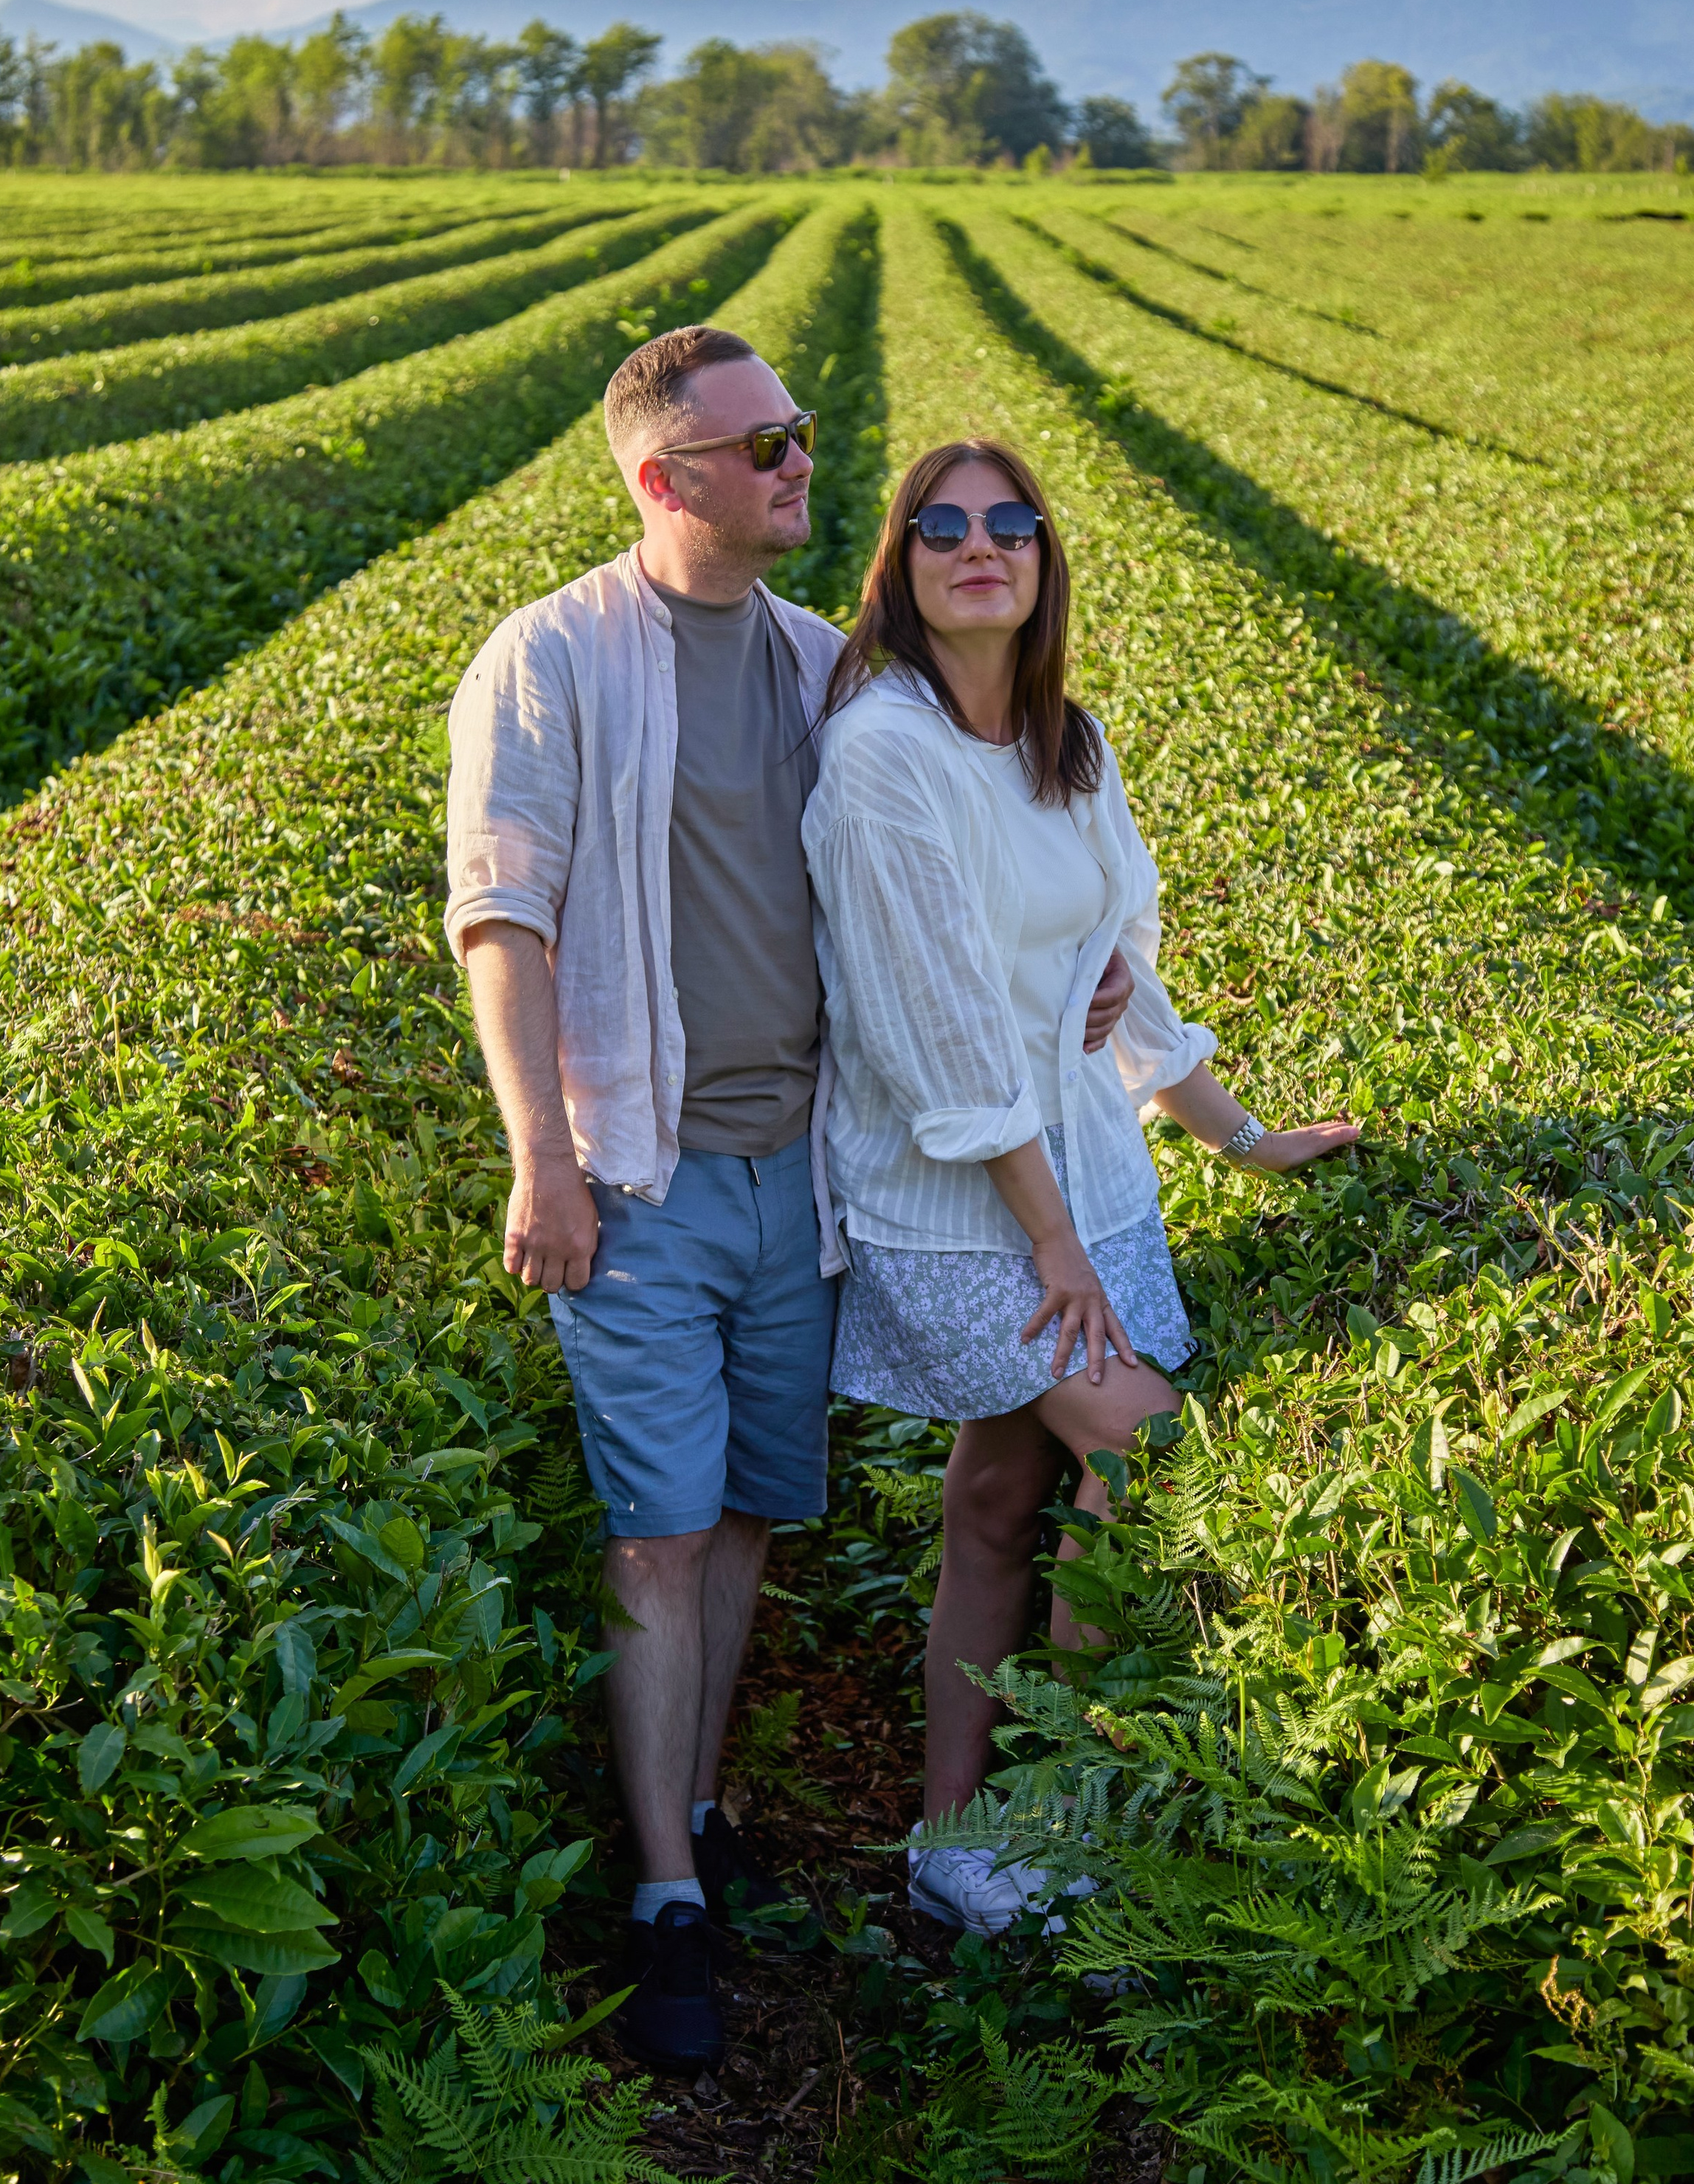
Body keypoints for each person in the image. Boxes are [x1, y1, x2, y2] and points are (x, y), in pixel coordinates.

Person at [443, 335, 1131, 2070]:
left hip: (804, 1179)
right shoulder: (551, 659)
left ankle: (702, 1806)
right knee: (657, 1531)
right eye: (760, 446)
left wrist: (1089, 998)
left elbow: (937, 895)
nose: (799, 465)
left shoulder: (826, 666)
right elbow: (500, 918)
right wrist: (539, 1153)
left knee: (746, 1515)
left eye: (803, 436)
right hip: (641, 1176)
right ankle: (668, 1895)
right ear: (660, 480)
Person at [804, 436, 1361, 1938]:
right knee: (1149, 1454)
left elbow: (1126, 966)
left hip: (1084, 1177)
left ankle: (953, 1837)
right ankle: (1058, 1812)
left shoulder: (1070, 740)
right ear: (901, 564)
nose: (976, 545)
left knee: (999, 1492)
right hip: (961, 1199)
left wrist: (1236, 1138)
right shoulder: (880, 755)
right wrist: (1047, 1239)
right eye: (941, 525)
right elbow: (943, 1033)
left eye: (1009, 524)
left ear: (1042, 560)